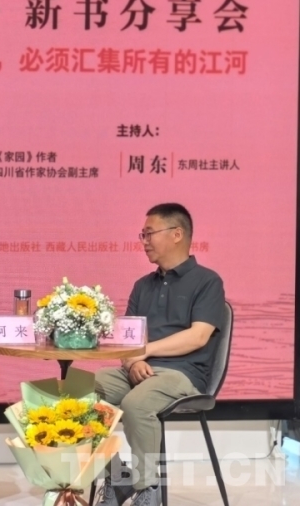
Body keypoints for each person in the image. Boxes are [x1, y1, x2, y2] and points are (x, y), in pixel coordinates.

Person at [95, 203, 226, 506]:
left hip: (183, 374)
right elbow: (127, 339)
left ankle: (148, 489)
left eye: (149, 233)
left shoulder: (207, 281)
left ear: (177, 234)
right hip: (139, 370)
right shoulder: (143, 286)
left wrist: (145, 352)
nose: (144, 241)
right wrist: (133, 361)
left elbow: (198, 336)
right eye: (142, 234)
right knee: (83, 394)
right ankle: (117, 475)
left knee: (137, 403)